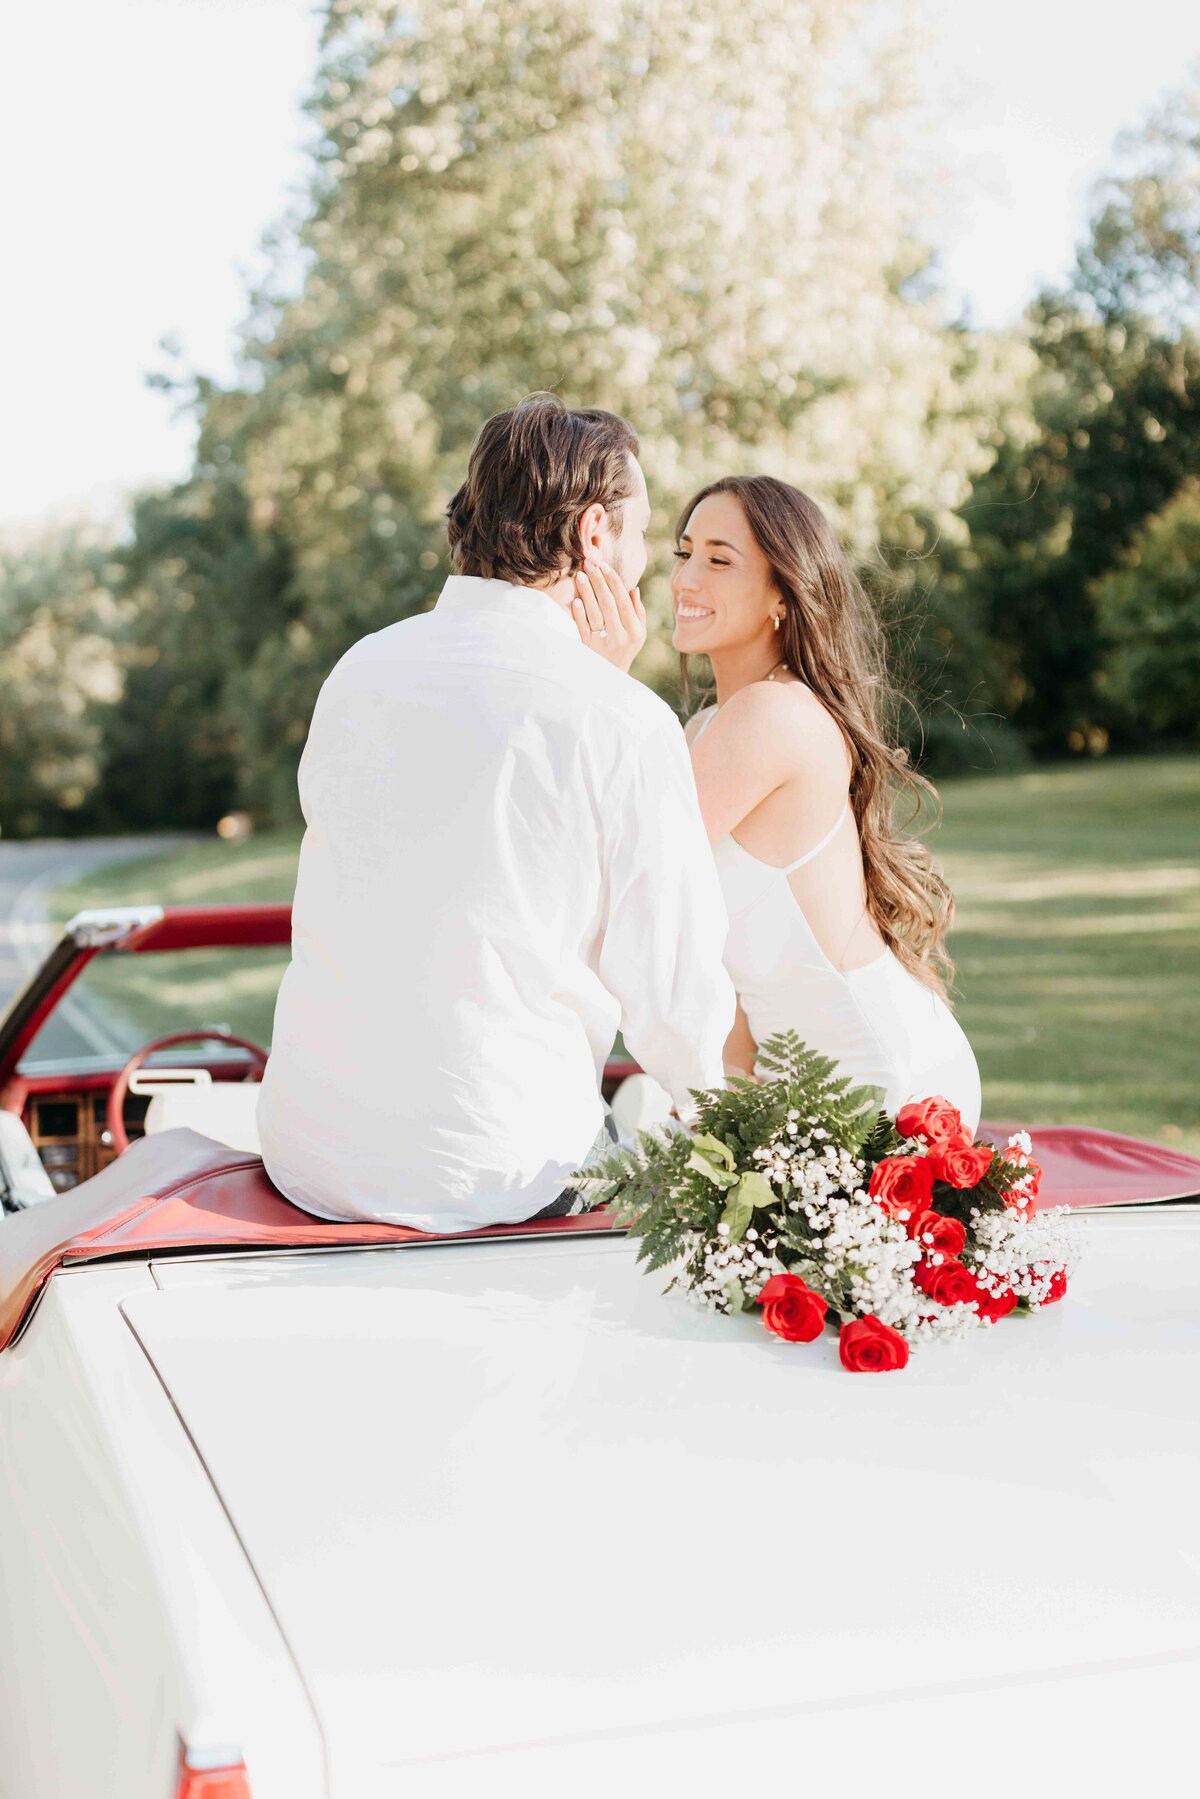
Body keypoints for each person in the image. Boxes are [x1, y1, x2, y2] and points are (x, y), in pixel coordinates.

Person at [256, 396, 736, 1231]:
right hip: (493, 1174)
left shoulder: (360, 671)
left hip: (308, 1151)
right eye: (642, 534)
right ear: (594, 535)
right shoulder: (619, 720)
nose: (646, 562)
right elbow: (672, 997)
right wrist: (734, 1131)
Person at [580, 473, 981, 1128]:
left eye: (719, 559)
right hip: (790, 1081)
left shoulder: (770, 716)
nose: (685, 579)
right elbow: (714, 950)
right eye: (684, 553)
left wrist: (596, 683)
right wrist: (723, 1102)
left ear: (782, 595)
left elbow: (613, 869)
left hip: (880, 1080)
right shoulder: (708, 729)